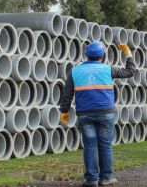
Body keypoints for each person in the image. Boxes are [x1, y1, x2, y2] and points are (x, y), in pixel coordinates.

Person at [59, 41, 137, 186]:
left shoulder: (74, 71)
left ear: (87, 55)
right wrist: (128, 54)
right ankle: (106, 177)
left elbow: (66, 95)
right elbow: (130, 72)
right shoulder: (109, 69)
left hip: (84, 114)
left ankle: (91, 180)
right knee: (105, 145)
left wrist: (64, 112)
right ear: (103, 55)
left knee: (89, 146)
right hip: (105, 113)